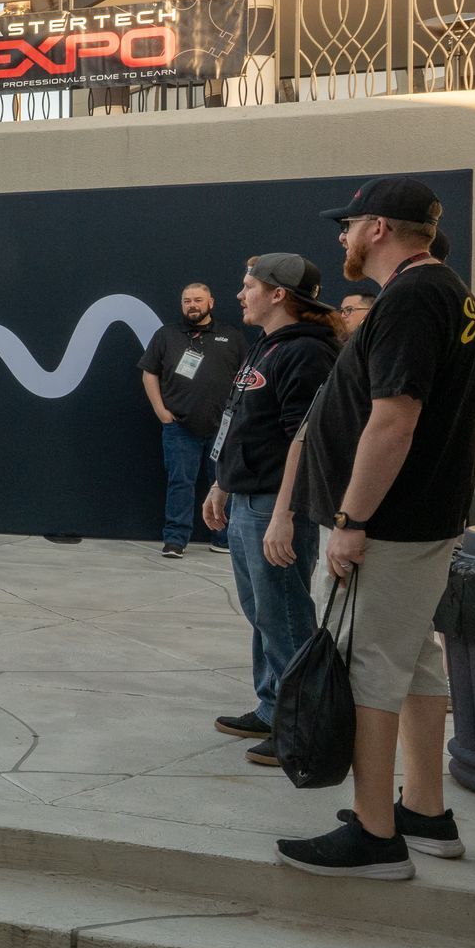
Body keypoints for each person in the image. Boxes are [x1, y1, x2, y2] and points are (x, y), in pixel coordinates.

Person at [274, 177, 475, 880]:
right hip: (422, 521)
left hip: (388, 527)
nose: (341, 236)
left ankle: (375, 836)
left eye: (349, 224)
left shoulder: (410, 298)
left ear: (378, 229)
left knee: (364, 668)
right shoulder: (448, 292)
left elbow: (394, 420)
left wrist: (351, 519)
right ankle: (424, 810)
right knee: (415, 662)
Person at [200, 255, 340, 767]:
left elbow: (305, 440)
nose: (240, 295)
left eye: (248, 286)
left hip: (275, 507)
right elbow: (243, 421)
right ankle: (272, 706)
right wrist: (223, 483)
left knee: (284, 615)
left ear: (279, 294)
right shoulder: (268, 344)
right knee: (262, 611)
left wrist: (285, 513)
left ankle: (302, 728)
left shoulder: (307, 352)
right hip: (248, 497)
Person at [138, 283, 245, 558]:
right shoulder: (166, 335)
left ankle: (223, 539)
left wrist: (237, 416)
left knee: (222, 483)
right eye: (187, 301)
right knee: (180, 483)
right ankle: (175, 540)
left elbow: (247, 378)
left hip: (222, 428)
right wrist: (161, 412)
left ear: (211, 302)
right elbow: (149, 373)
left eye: (198, 300)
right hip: (179, 427)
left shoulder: (232, 336)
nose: (192, 305)